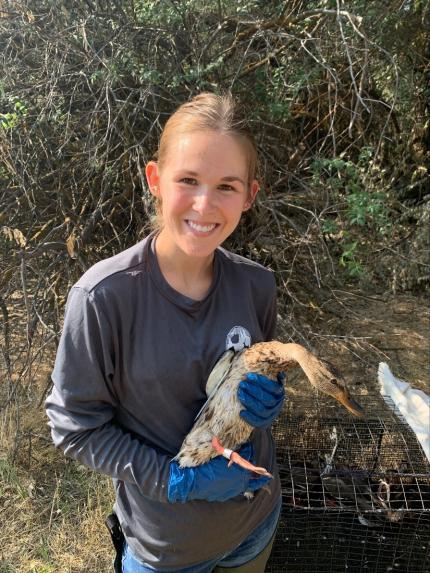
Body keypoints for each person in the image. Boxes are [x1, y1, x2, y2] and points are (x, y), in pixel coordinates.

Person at [45, 92, 285, 573]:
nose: (204, 203)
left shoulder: (256, 284)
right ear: (155, 180)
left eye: (226, 186)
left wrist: (274, 394)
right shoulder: (103, 298)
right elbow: (74, 427)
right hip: (168, 550)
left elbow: (266, 371)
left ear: (249, 195)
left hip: (254, 523)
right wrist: (178, 481)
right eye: (189, 180)